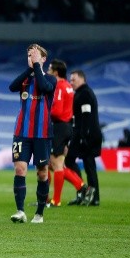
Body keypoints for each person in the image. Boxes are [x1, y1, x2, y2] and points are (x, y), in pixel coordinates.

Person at [8, 44, 56, 225]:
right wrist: (30, 69)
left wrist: (36, 67)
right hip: (22, 132)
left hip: (42, 134)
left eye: (35, 55)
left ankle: (39, 213)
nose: (31, 58)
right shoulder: (25, 79)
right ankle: (20, 210)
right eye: (29, 55)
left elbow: (44, 87)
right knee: (20, 169)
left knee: (42, 173)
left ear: (43, 59)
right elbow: (12, 87)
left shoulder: (51, 78)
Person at [46, 59, 86, 207]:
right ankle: (81, 185)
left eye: (50, 69)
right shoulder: (68, 86)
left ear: (55, 72)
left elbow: (56, 111)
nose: (48, 71)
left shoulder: (59, 86)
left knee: (55, 164)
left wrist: (45, 113)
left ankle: (56, 200)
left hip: (59, 127)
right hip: (66, 126)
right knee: (53, 163)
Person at [67, 70, 102, 206]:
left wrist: (83, 136)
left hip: (88, 135)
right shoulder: (81, 93)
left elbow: (86, 116)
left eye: (73, 79)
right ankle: (84, 192)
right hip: (83, 134)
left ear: (82, 79)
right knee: (74, 161)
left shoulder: (85, 93)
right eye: (70, 80)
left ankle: (93, 196)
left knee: (89, 165)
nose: (71, 82)